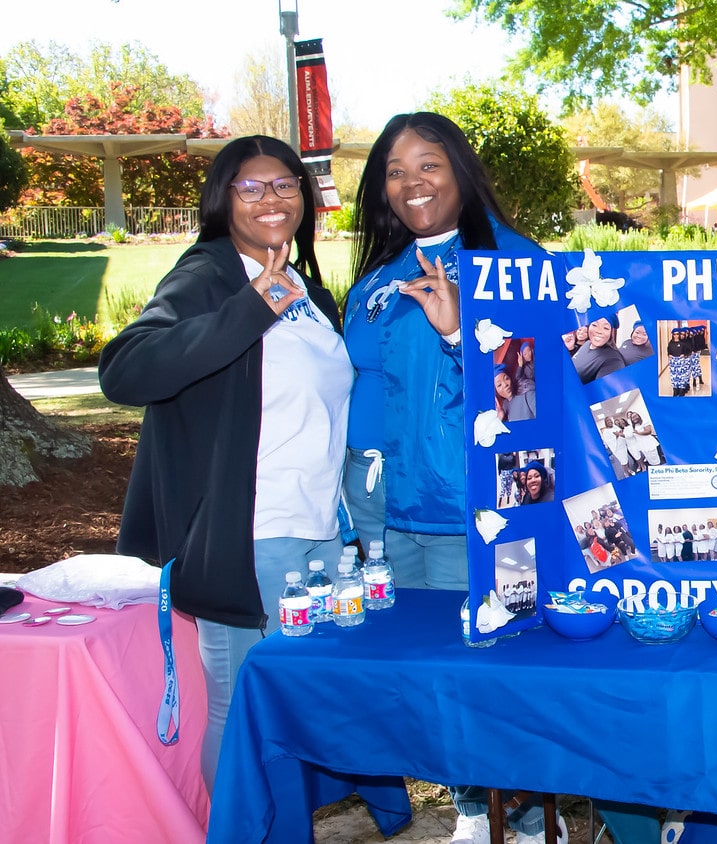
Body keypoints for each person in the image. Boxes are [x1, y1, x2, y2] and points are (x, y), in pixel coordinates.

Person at [98, 135, 352, 788]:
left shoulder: (309, 293)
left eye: (286, 185)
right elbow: (125, 370)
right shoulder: (208, 274)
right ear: (223, 199)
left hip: (318, 530)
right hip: (252, 534)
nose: (272, 198)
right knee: (244, 711)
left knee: (300, 706)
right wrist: (247, 310)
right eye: (252, 186)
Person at [340, 111, 557, 844]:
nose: (412, 183)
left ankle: (527, 816)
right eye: (395, 172)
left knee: (499, 670)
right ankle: (471, 806)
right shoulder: (374, 284)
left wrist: (465, 334)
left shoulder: (519, 261)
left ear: (461, 170)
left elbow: (540, 400)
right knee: (427, 672)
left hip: (483, 511)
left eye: (427, 164)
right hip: (388, 518)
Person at [573, 314, 626, 383]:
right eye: (594, 325)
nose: (599, 331)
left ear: (610, 333)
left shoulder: (614, 361)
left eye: (605, 328)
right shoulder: (587, 343)